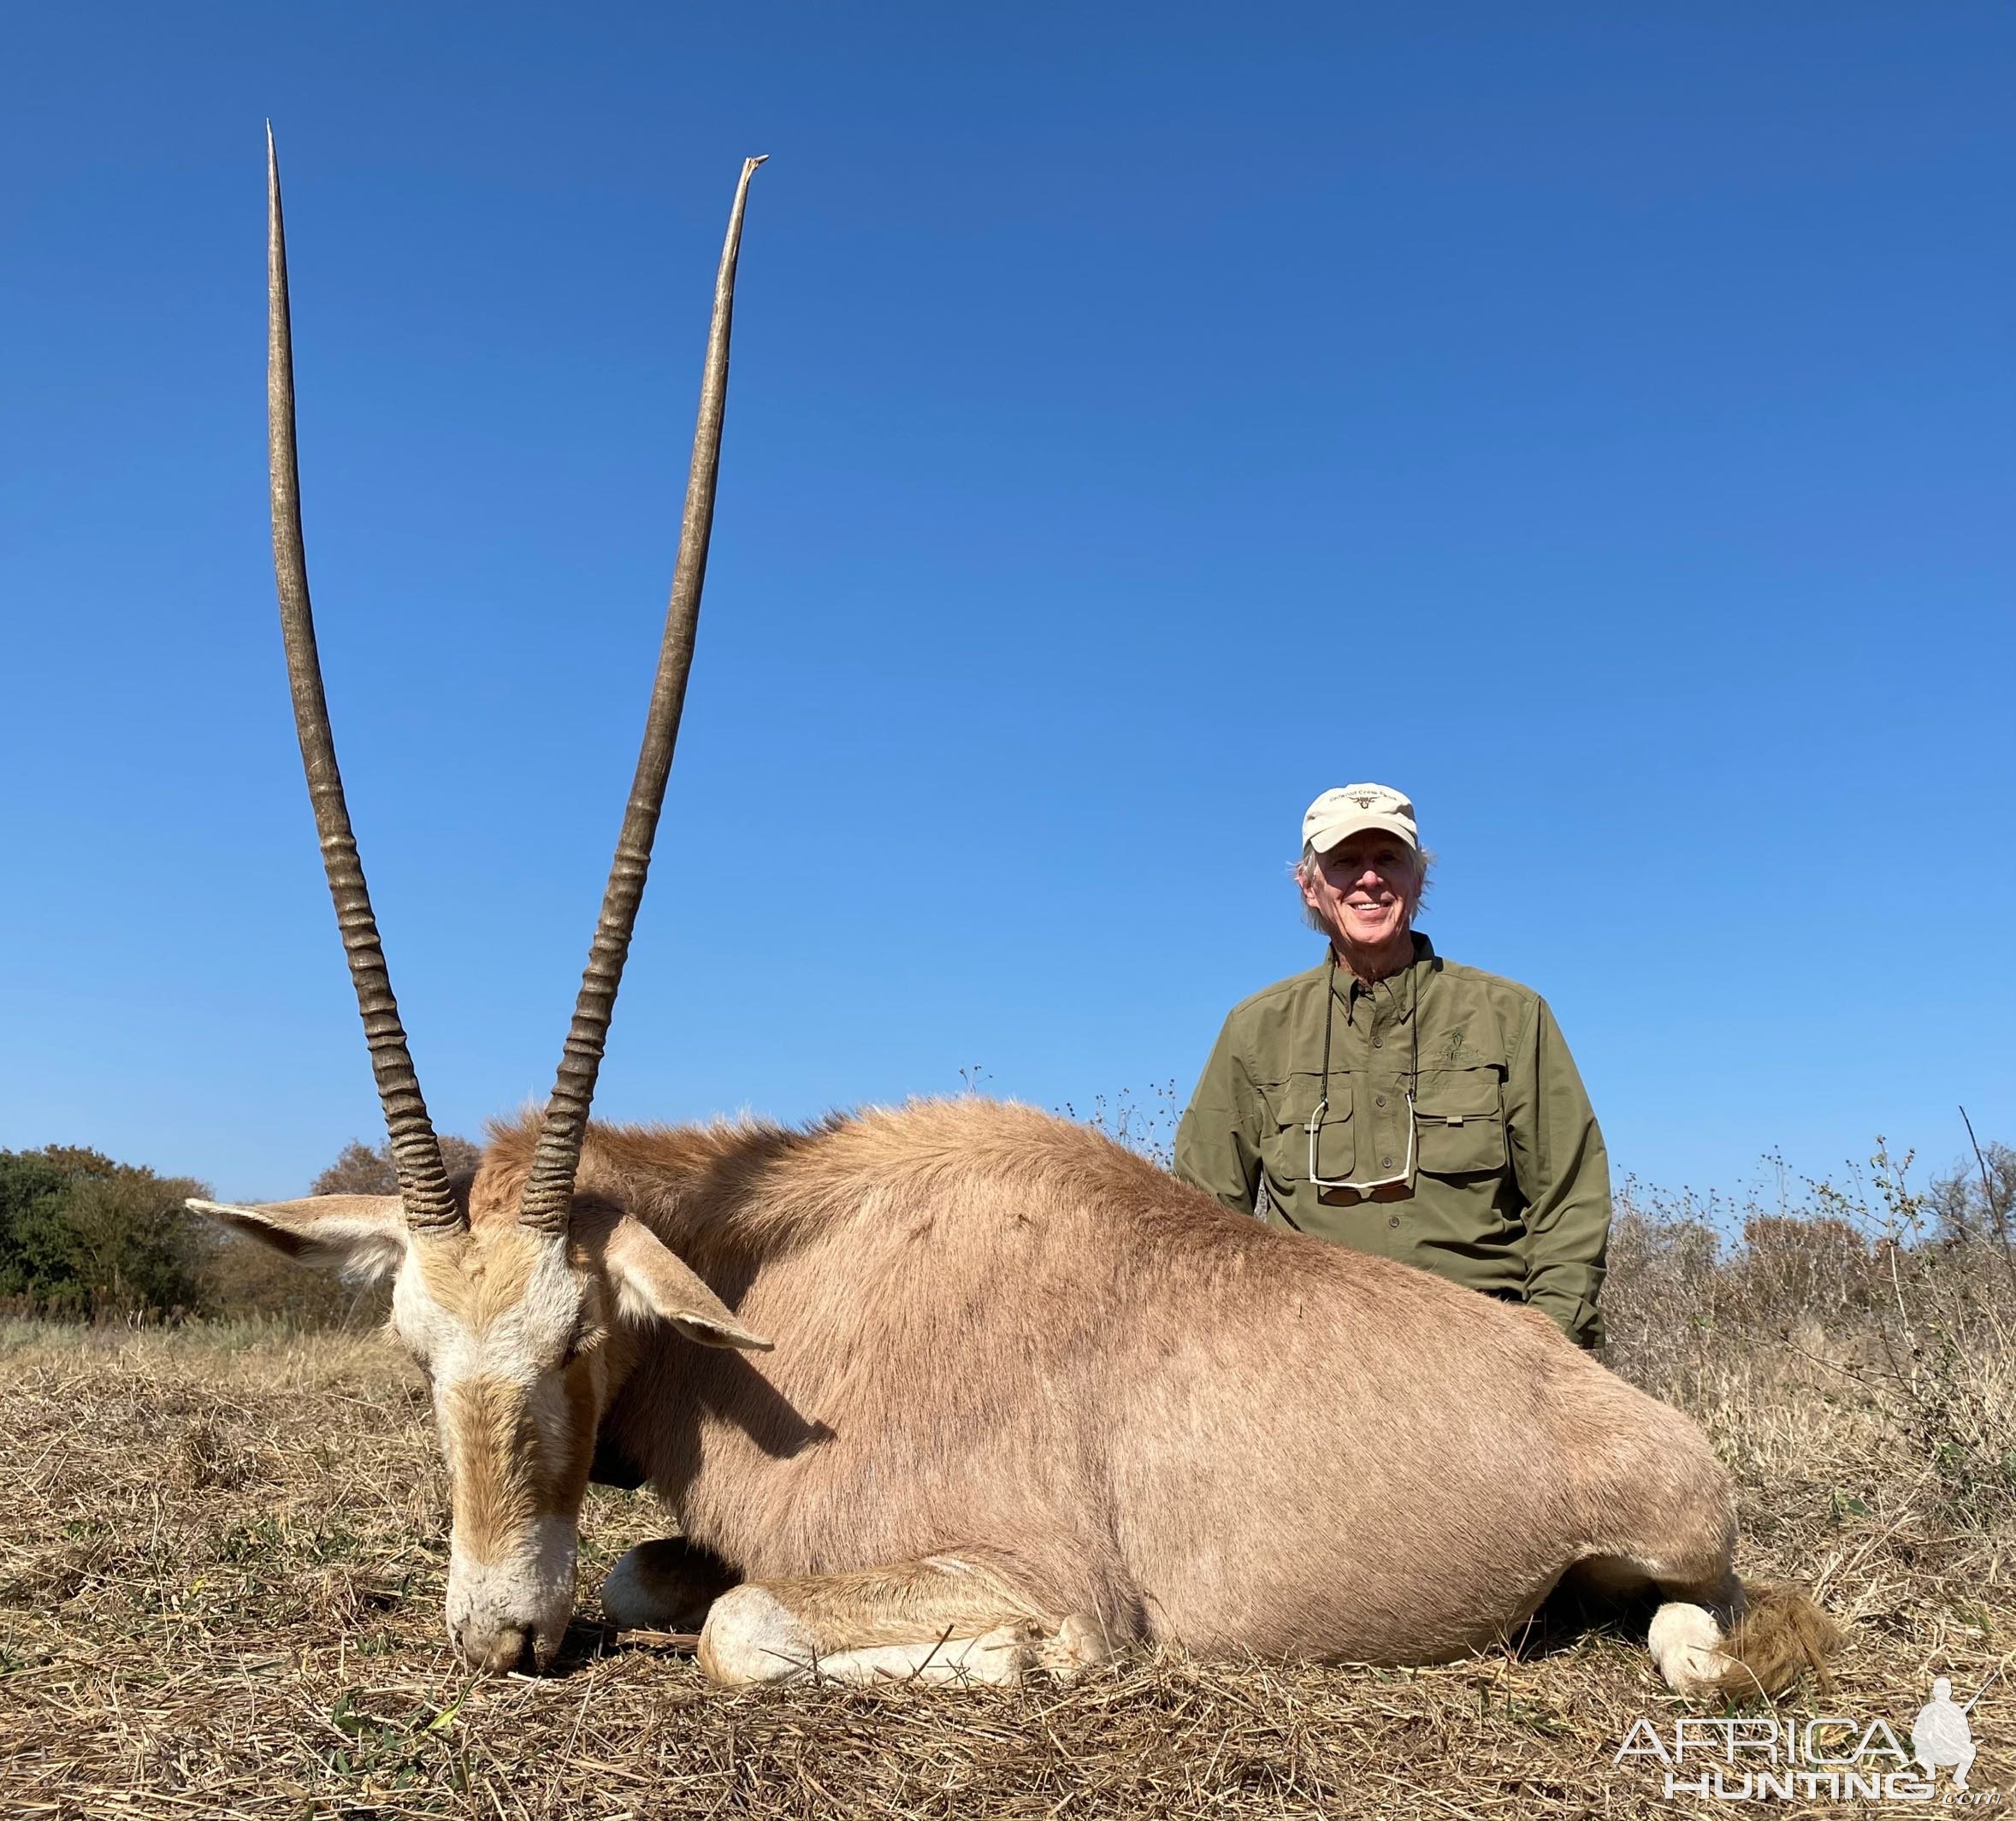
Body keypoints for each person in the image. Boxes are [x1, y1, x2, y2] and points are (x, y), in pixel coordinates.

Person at [1173, 783, 1611, 1348]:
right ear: (1309, 886)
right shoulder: (1255, 1028)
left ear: (1418, 878)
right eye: (1345, 862)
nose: (1369, 879)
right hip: (1305, 1357)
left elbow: (1569, 1195)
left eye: (1388, 859)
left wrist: (1548, 1347)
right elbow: (1200, 1219)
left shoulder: (1511, 1015)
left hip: (1484, 1354)